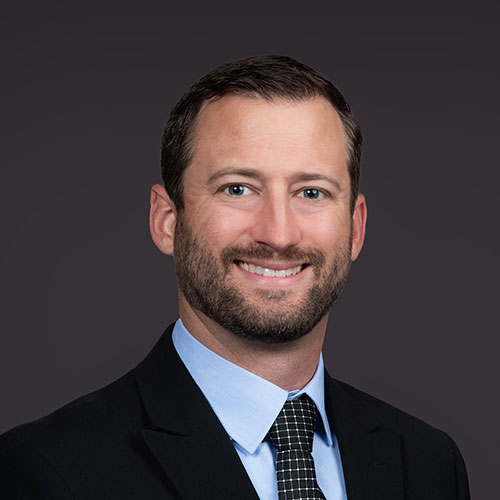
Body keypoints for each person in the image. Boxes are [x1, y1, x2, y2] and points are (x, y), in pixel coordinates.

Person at [0, 55, 470, 499]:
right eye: (238, 188)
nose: (278, 234)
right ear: (167, 220)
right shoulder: (48, 472)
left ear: (356, 228)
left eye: (311, 192)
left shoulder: (427, 464)